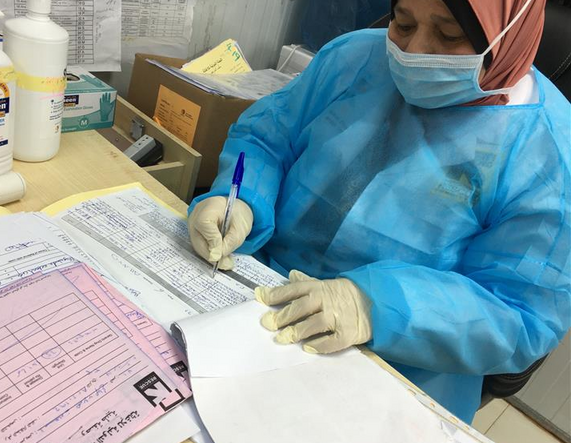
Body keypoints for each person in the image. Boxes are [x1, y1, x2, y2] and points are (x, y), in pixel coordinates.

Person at [188, 0, 570, 424]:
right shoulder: (353, 57)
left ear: (506, 37)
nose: (415, 51)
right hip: (256, 298)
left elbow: (519, 312)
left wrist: (373, 304)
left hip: (396, 368)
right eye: (402, 24)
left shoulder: (548, 153)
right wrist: (239, 199)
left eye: (449, 35)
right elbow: (266, 137)